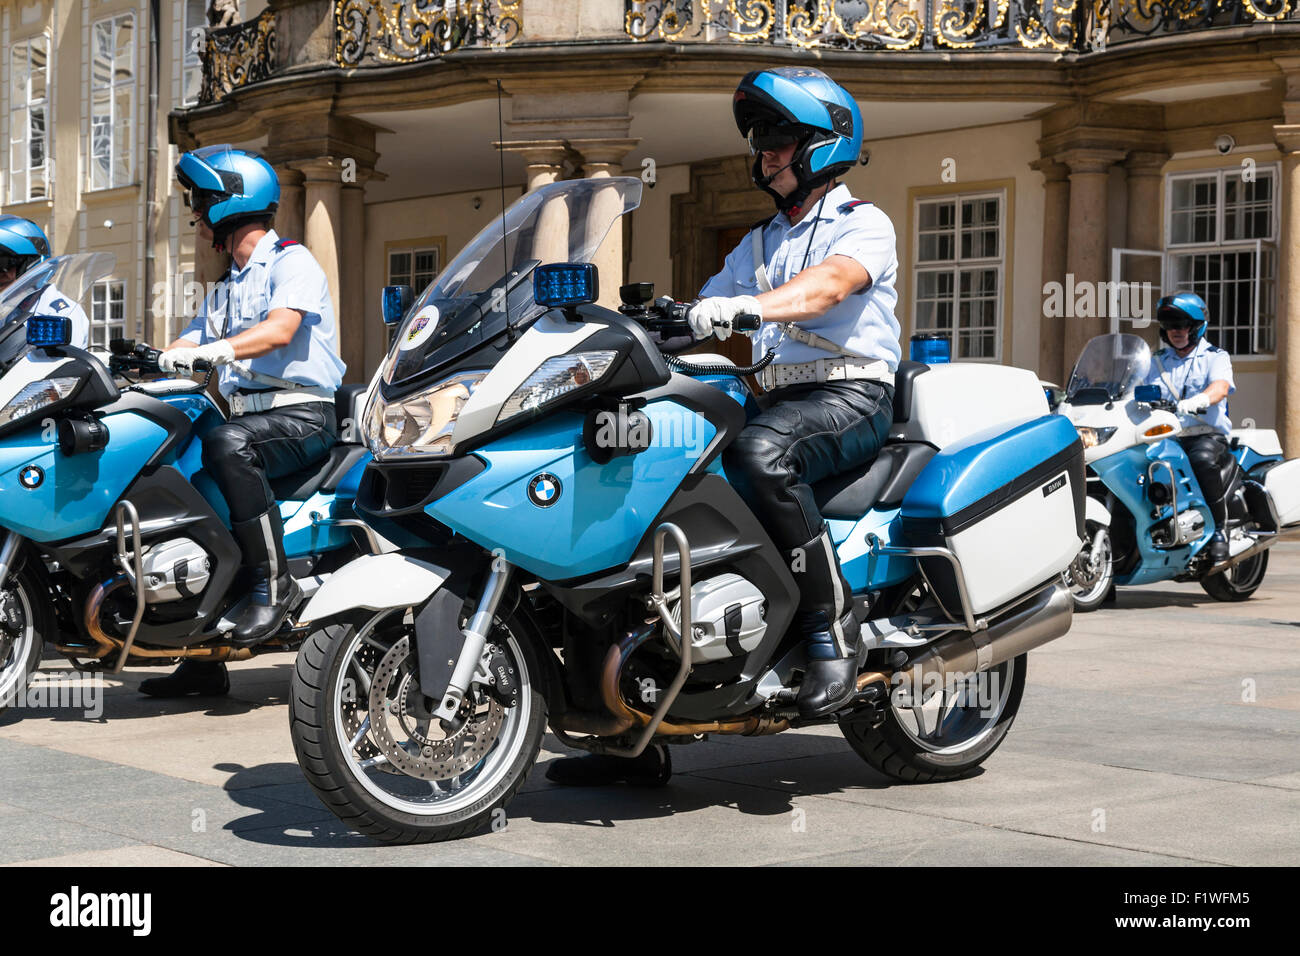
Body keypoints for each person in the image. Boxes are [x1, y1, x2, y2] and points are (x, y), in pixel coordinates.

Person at [547, 67, 899, 786]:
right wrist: (653, 322)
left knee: (763, 454)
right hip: (771, 395)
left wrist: (747, 312)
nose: (764, 151)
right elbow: (708, 307)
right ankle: (631, 726)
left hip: (850, 395)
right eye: (760, 138)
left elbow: (827, 287)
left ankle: (827, 632)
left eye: (778, 137)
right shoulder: (760, 239)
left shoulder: (862, 222)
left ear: (824, 144)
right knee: (645, 471)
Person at [140, 145, 345, 698]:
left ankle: (271, 587)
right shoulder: (229, 284)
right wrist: (151, 359)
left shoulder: (290, 262)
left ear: (231, 203)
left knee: (228, 444)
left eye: (202, 201)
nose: (196, 213)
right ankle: (202, 655)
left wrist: (216, 352)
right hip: (249, 420)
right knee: (180, 486)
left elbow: (280, 330)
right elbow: (193, 341)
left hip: (302, 415)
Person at [1143, 292, 1236, 565]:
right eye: (1171, 326)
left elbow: (1220, 387)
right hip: (1166, 436)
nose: (1177, 332)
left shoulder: (1214, 356)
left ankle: (1220, 531)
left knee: (1201, 460)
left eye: (1183, 325)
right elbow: (1134, 390)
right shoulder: (1156, 360)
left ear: (1196, 327)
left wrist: (1201, 399)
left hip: (1205, 434)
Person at [0, 214, 90, 347]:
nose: (1, 275)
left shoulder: (59, 314)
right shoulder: (8, 311)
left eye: (3, 264)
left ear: (31, 262)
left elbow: (62, 366)